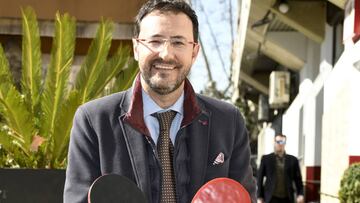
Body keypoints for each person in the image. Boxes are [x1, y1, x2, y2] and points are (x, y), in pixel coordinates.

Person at [63, 1, 256, 203]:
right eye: (155, 41)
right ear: (136, 47)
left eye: (178, 42)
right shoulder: (93, 121)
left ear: (194, 52)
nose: (166, 54)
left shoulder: (228, 121)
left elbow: (242, 197)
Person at [257, 134, 304, 203]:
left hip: (287, 198)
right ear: (274, 142)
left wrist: (300, 194)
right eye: (278, 142)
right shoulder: (266, 159)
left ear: (285, 143)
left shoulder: (293, 160)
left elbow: (298, 179)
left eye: (282, 142)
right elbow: (259, 179)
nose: (280, 144)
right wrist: (259, 197)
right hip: (271, 197)